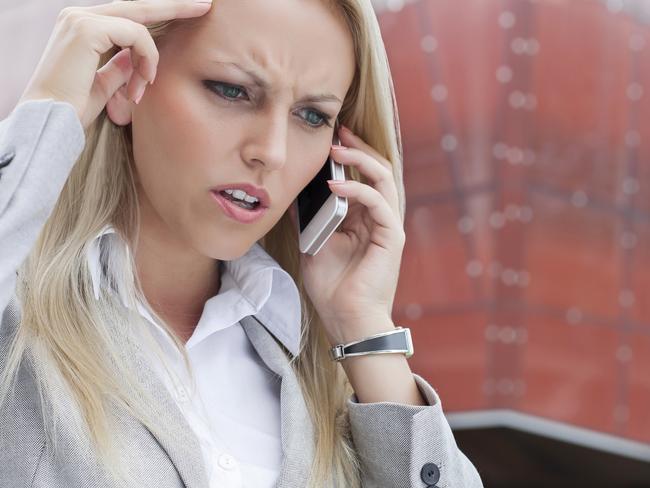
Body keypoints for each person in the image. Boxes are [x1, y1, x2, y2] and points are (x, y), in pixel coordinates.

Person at [0, 0, 483, 487]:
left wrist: (363, 329)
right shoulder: (18, 321)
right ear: (125, 85)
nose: (271, 152)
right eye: (232, 90)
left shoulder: (312, 375)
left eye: (312, 116)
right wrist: (47, 113)